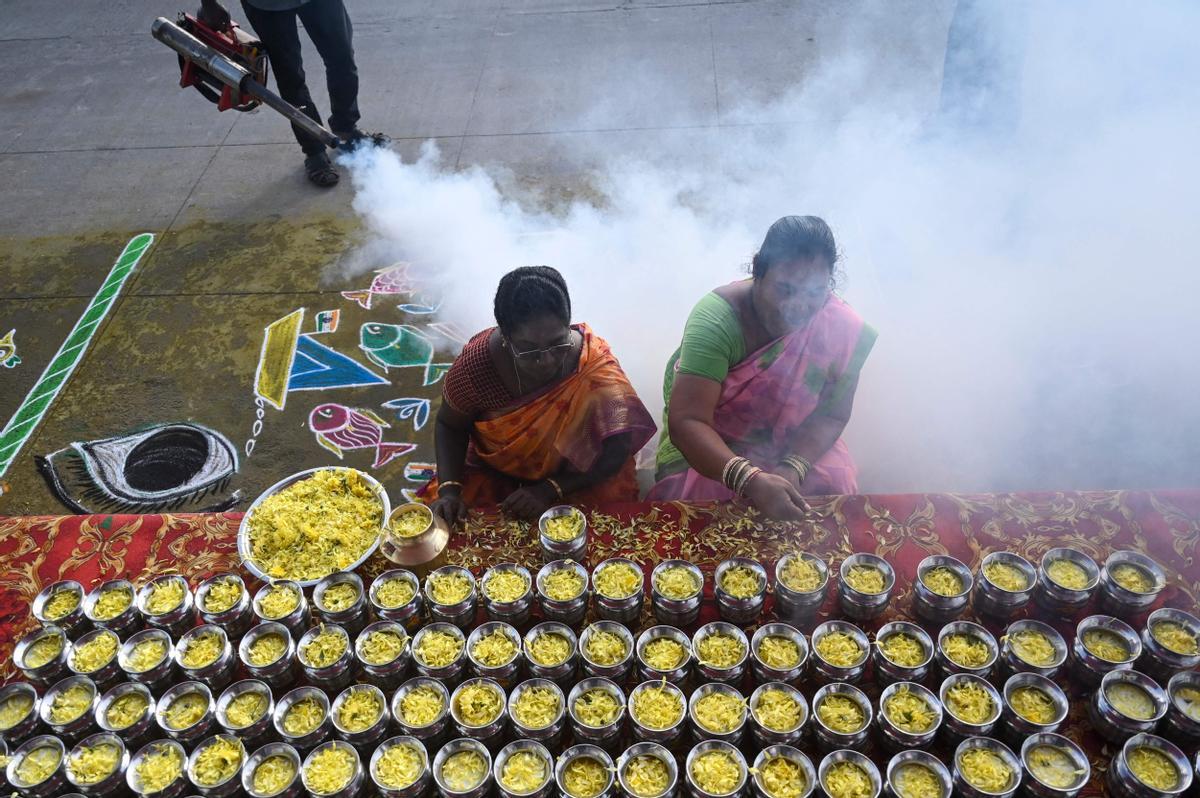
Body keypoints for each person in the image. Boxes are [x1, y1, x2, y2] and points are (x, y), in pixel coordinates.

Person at [647, 216, 876, 519]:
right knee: (703, 510)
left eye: (814, 292)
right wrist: (749, 480)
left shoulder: (839, 327)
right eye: (785, 289)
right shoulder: (716, 320)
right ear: (758, 271)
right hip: (716, 443)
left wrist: (793, 467)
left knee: (833, 488)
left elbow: (832, 414)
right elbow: (688, 421)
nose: (797, 306)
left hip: (791, 441)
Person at [426, 266, 657, 525]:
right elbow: (449, 424)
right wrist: (449, 491)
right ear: (505, 336)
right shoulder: (478, 367)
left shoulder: (594, 372)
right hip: (496, 469)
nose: (545, 361)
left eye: (558, 344)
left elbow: (617, 452)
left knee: (607, 522)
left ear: (568, 324)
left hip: (574, 474)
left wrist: (550, 489)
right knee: (454, 520)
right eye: (528, 350)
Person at [199, 0, 378, 187]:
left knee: (342, 58)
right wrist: (209, 4)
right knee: (290, 76)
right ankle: (314, 149)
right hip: (267, 6)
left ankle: (346, 127)